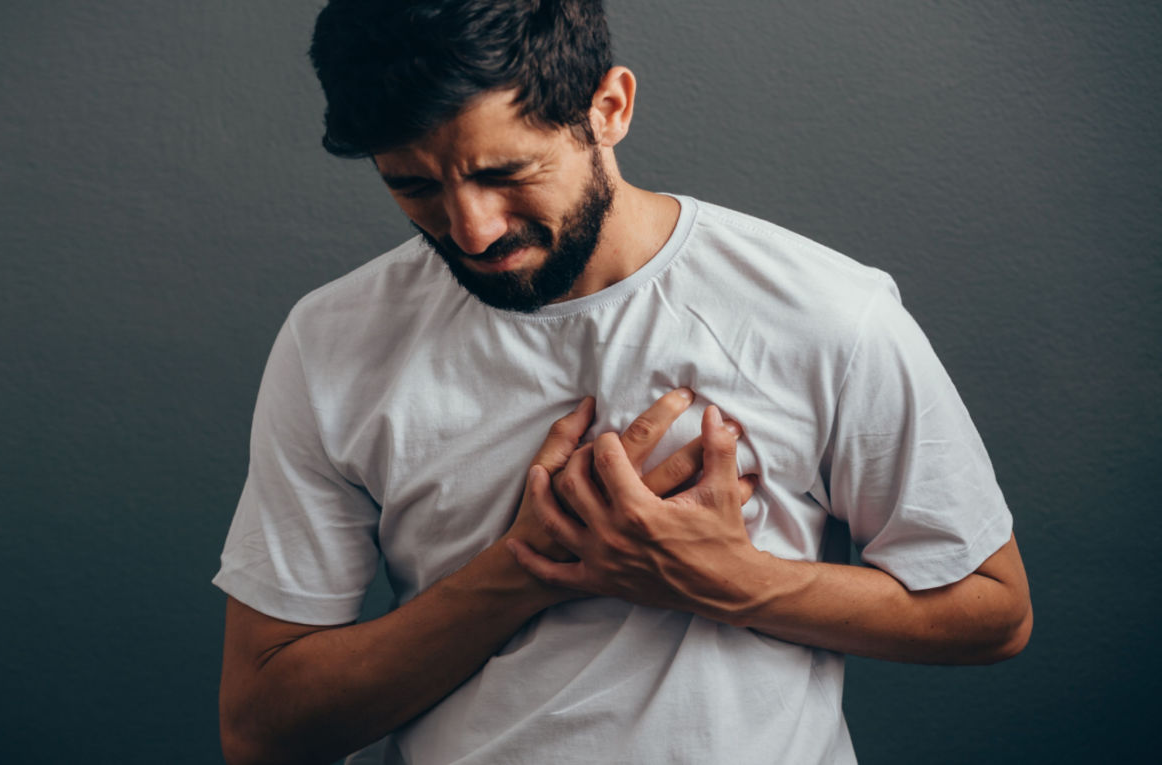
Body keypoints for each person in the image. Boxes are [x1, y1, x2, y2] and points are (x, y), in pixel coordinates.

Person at [213, 1, 1032, 763]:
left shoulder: (825, 312)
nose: (472, 229)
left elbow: (994, 611)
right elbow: (260, 727)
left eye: (506, 171)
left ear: (608, 108)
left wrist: (737, 580)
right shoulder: (333, 340)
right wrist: (522, 568)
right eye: (414, 185)